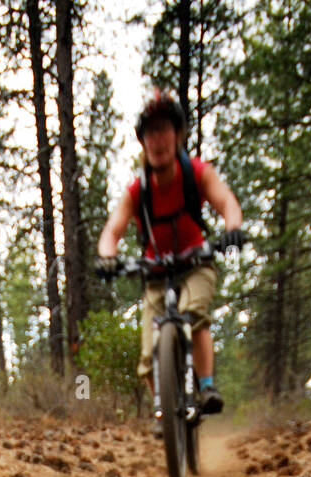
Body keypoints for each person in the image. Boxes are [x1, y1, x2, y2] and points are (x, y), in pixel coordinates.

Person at [96, 90, 243, 420]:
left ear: (177, 135)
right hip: (156, 273)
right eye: (150, 133)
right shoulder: (138, 190)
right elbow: (112, 231)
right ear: (143, 142)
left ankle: (205, 385)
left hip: (196, 263)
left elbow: (227, 202)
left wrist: (232, 228)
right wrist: (107, 256)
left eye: (164, 130)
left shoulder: (197, 172)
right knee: (148, 359)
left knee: (194, 314)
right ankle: (167, 411)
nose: (157, 139)